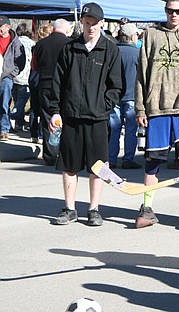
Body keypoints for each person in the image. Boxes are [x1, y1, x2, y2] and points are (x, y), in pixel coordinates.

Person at [134, 0, 179, 230]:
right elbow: (141, 73)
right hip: (156, 108)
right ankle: (147, 207)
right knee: (152, 161)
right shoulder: (151, 35)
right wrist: (140, 108)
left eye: (178, 11)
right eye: (169, 10)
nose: (173, 15)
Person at [46, 3, 123, 226]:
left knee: (98, 167)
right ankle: (69, 209)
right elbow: (57, 83)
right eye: (87, 23)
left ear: (101, 23)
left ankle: (94, 209)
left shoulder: (110, 50)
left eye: (95, 24)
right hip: (70, 117)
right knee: (69, 165)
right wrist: (54, 111)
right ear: (82, 22)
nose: (90, 28)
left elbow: (116, 86)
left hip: (97, 119)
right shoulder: (70, 49)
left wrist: (103, 106)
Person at [32, 18, 71, 165]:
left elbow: (34, 66)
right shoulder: (70, 44)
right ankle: (64, 153)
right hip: (65, 87)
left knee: (48, 120)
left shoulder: (40, 44)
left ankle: (49, 154)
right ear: (66, 29)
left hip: (45, 84)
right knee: (66, 119)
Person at [108, 23, 141, 170]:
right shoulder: (138, 53)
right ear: (133, 37)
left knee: (114, 129)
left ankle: (111, 159)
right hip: (132, 97)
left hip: (114, 96)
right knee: (130, 130)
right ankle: (128, 158)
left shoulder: (112, 51)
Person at [0, 15, 25, 141]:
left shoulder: (15, 41)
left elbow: (21, 60)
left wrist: (11, 74)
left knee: (4, 103)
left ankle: (4, 129)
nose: (0, 29)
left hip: (6, 77)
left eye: (2, 27)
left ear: (8, 27)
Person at [10, 23, 35, 133]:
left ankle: (19, 124)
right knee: (21, 102)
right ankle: (14, 115)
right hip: (26, 77)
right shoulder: (32, 44)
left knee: (17, 100)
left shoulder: (14, 42)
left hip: (14, 75)